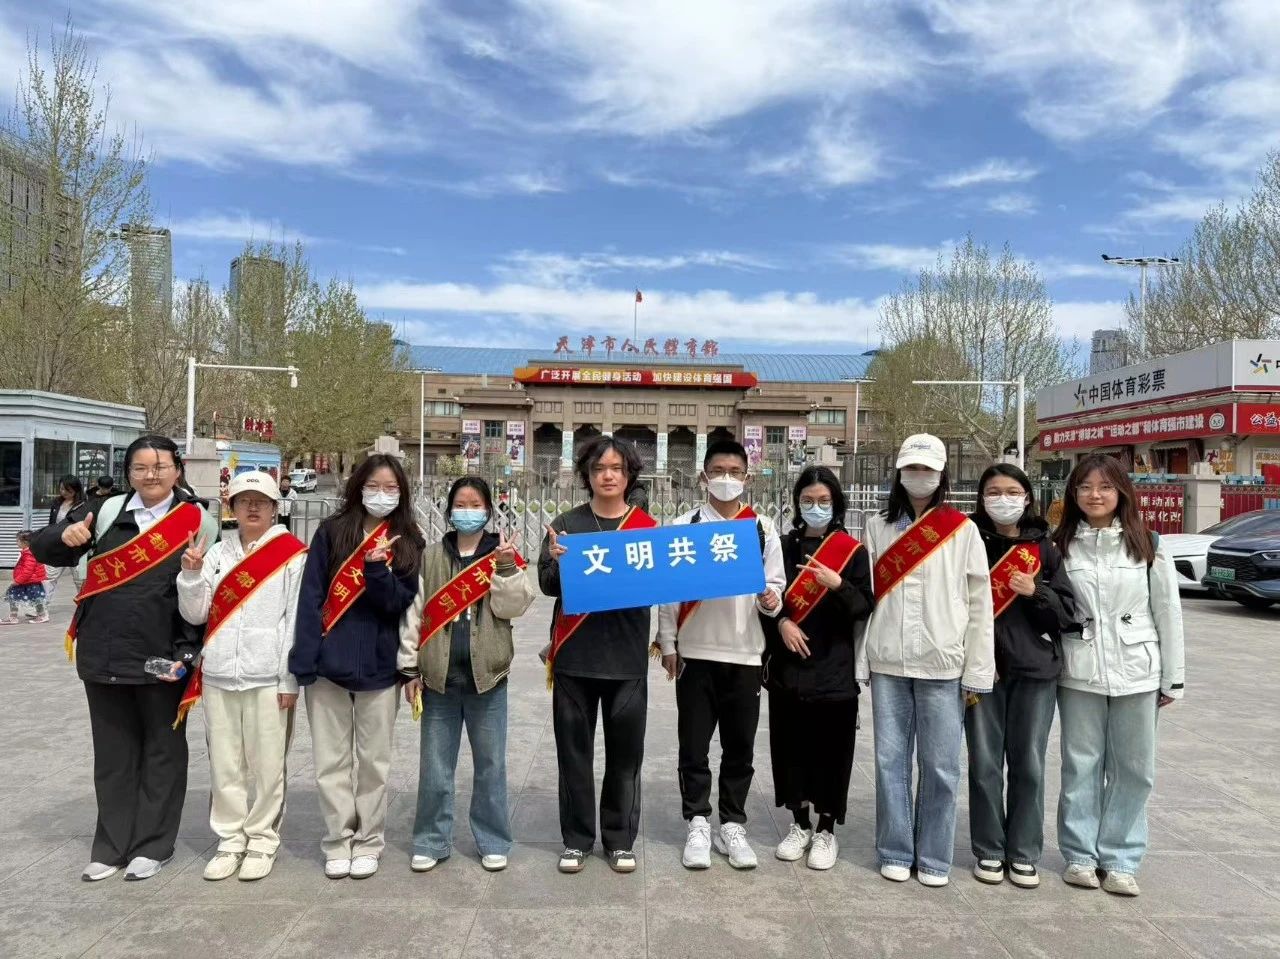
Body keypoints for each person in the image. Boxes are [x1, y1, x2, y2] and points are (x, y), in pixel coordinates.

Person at [30, 435, 219, 882]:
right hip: (105, 651)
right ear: (128, 472)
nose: (151, 475)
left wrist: (187, 651)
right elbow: (43, 546)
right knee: (113, 754)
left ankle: (153, 845)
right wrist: (65, 534)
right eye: (140, 467)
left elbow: (202, 593)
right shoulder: (106, 511)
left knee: (162, 752)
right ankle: (111, 846)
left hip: (163, 656)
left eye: (160, 466)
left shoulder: (197, 521)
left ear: (177, 470)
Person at [857, 434, 994, 888]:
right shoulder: (877, 527)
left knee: (941, 766)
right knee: (889, 762)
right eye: (912, 468)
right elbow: (866, 598)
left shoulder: (962, 529)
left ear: (941, 475)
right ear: (899, 473)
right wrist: (861, 660)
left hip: (943, 662)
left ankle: (934, 857)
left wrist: (978, 669)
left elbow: (980, 603)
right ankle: (895, 849)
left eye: (928, 469)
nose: (920, 476)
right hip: (889, 661)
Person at [1052, 453, 1184, 897]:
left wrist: (1173, 678)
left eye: (1105, 486)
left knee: (1135, 768)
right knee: (1081, 765)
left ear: (1122, 491)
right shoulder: (1061, 545)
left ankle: (1121, 859)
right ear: (1073, 493)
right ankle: (1080, 856)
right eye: (1085, 486)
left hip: (1138, 670)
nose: (1095, 495)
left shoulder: (1148, 544)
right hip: (1080, 670)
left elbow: (1167, 613)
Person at [289, 454, 423, 880]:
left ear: (402, 493)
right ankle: (337, 840)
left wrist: (376, 569)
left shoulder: (408, 540)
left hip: (380, 668)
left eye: (391, 488)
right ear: (358, 487)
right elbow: (311, 598)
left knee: (373, 763)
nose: (381, 494)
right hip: (328, 667)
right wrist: (305, 659)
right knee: (330, 761)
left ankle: (368, 840)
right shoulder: (332, 532)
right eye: (374, 486)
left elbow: (398, 604)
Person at [655, 439, 785, 871]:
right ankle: (697, 821)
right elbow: (669, 593)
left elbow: (776, 588)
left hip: (745, 653)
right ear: (703, 476)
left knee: (739, 748)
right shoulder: (684, 526)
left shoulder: (762, 528)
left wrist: (771, 601)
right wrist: (668, 643)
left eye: (735, 472)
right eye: (718, 471)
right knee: (693, 746)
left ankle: (732, 824)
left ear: (747, 478)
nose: (726, 479)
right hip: (695, 653)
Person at [399, 476, 536, 874]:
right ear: (449, 510)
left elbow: (513, 607)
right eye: (461, 504)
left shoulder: (501, 554)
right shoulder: (431, 556)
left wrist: (506, 566)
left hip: (487, 678)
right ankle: (430, 839)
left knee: (491, 765)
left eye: (476, 504)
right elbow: (414, 614)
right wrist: (410, 667)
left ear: (489, 511)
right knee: (435, 767)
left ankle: (493, 839)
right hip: (438, 679)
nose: (468, 511)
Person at [177, 471, 308, 882]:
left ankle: (262, 840)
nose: (253, 508)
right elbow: (195, 615)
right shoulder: (215, 553)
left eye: (261, 501)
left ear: (274, 508)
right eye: (244, 500)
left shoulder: (292, 555)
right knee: (225, 764)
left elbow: (294, 623)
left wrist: (288, 680)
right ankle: (230, 839)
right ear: (231, 507)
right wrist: (191, 575)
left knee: (268, 765)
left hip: (267, 677)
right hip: (219, 674)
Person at [538, 436, 656, 875]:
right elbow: (547, 585)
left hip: (626, 659)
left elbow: (663, 586)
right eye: (599, 468)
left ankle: (619, 840)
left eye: (616, 468)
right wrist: (555, 560)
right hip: (575, 658)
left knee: (626, 757)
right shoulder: (566, 525)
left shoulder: (647, 528)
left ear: (629, 475)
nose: (608, 475)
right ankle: (577, 840)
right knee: (573, 755)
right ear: (587, 475)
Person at [966, 464, 1078, 889]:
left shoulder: (1044, 548)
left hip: (1034, 671)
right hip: (982, 672)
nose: (1003, 499)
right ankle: (989, 849)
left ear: (1027, 497)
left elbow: (1066, 614)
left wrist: (1037, 592)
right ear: (981, 498)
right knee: (984, 764)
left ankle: (1024, 852)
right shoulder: (967, 541)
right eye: (993, 491)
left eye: (1012, 491)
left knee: (1029, 764)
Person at [763, 466, 874, 870]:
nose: (815, 507)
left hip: (834, 669)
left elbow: (864, 607)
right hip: (788, 667)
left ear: (836, 503)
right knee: (790, 748)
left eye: (823, 500)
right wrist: (781, 622)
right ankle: (799, 824)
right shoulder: (782, 546)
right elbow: (764, 599)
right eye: (807, 500)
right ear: (797, 504)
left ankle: (827, 829)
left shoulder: (851, 551)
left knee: (832, 751)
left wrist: (837, 584)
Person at [43, 475, 87, 601]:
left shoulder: (83, 505)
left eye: (68, 490)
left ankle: (83, 605)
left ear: (76, 490)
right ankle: (42, 607)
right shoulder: (57, 503)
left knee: (79, 579)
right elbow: (52, 523)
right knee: (49, 577)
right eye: (61, 489)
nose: (64, 492)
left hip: (76, 547)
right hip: (57, 546)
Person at [4, 530, 49, 624]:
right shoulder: (28, 552)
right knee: (14, 597)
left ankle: (42, 616)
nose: (16, 542)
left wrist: (17, 581)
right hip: (26, 581)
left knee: (36, 599)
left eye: (18, 540)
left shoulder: (29, 554)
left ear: (25, 542)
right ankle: (13, 617)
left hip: (30, 582)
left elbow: (27, 571)